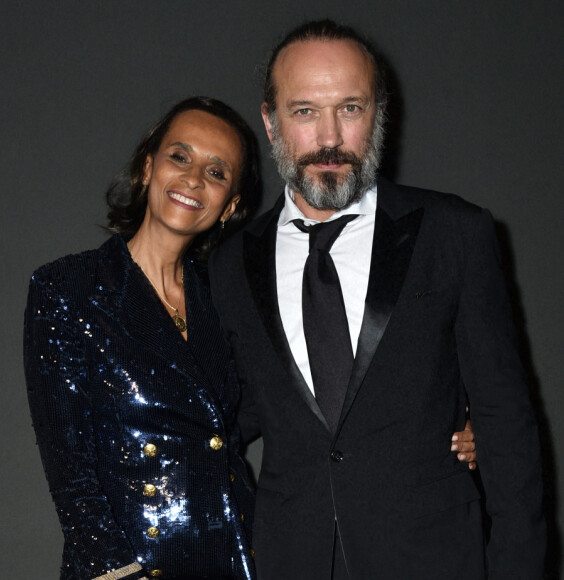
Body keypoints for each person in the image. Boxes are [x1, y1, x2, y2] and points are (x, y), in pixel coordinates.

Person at [209, 20, 545, 579]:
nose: (330, 138)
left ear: (379, 116)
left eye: (351, 108)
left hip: (434, 560)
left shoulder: (454, 232)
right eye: (305, 112)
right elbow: (225, 415)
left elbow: (507, 426)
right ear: (271, 122)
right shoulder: (228, 264)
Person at [23, 97, 261, 580]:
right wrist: (117, 571)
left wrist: (448, 431)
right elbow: (71, 476)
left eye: (217, 172)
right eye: (180, 156)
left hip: (235, 555)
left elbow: (282, 414)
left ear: (230, 205)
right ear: (148, 167)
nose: (194, 178)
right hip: (132, 567)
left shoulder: (228, 298)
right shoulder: (69, 288)